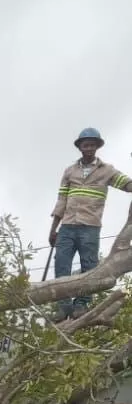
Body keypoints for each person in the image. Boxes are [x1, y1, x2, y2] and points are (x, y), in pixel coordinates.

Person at [49, 128, 132, 320]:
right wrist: (53, 229)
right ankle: (63, 307)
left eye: (92, 145)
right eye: (85, 144)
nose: (89, 148)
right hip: (67, 226)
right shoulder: (70, 171)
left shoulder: (106, 170)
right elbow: (61, 200)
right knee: (62, 265)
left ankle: (81, 305)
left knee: (89, 267)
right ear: (80, 147)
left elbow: (127, 185)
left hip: (90, 227)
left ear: (97, 147)